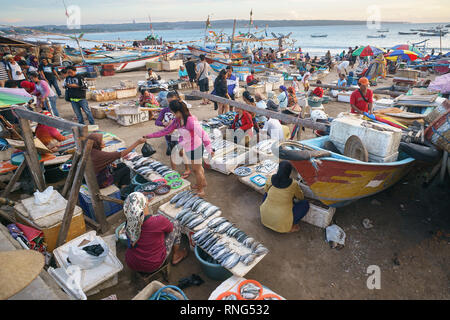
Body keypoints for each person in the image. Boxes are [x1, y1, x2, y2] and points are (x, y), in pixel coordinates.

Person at [144, 100, 214, 196]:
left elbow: (204, 135)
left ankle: (201, 190)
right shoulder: (177, 121)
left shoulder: (190, 121)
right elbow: (165, 131)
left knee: (196, 170)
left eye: (173, 112)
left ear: (178, 112)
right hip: (188, 147)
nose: (172, 114)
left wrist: (210, 150)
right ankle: (202, 183)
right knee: (197, 168)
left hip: (196, 147)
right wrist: (150, 136)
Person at [124, 192, 188, 273]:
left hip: (131, 262)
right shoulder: (158, 221)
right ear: (146, 203)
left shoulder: (128, 223)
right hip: (152, 264)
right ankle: (176, 255)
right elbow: (170, 228)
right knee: (176, 224)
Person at [260, 161, 309, 233]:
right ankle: (291, 225)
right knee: (305, 204)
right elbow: (300, 197)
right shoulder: (293, 183)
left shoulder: (270, 178)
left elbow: (266, 190)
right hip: (281, 222)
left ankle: (269, 214)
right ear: (289, 172)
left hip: (265, 219)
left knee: (267, 194)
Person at [155, 92, 190, 177]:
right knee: (172, 153)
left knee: (182, 152)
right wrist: (165, 123)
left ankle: (187, 169)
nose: (170, 104)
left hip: (180, 135)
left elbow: (188, 119)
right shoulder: (165, 110)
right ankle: (174, 171)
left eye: (172, 101)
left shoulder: (182, 109)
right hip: (169, 136)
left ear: (177, 99)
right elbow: (157, 121)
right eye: (169, 102)